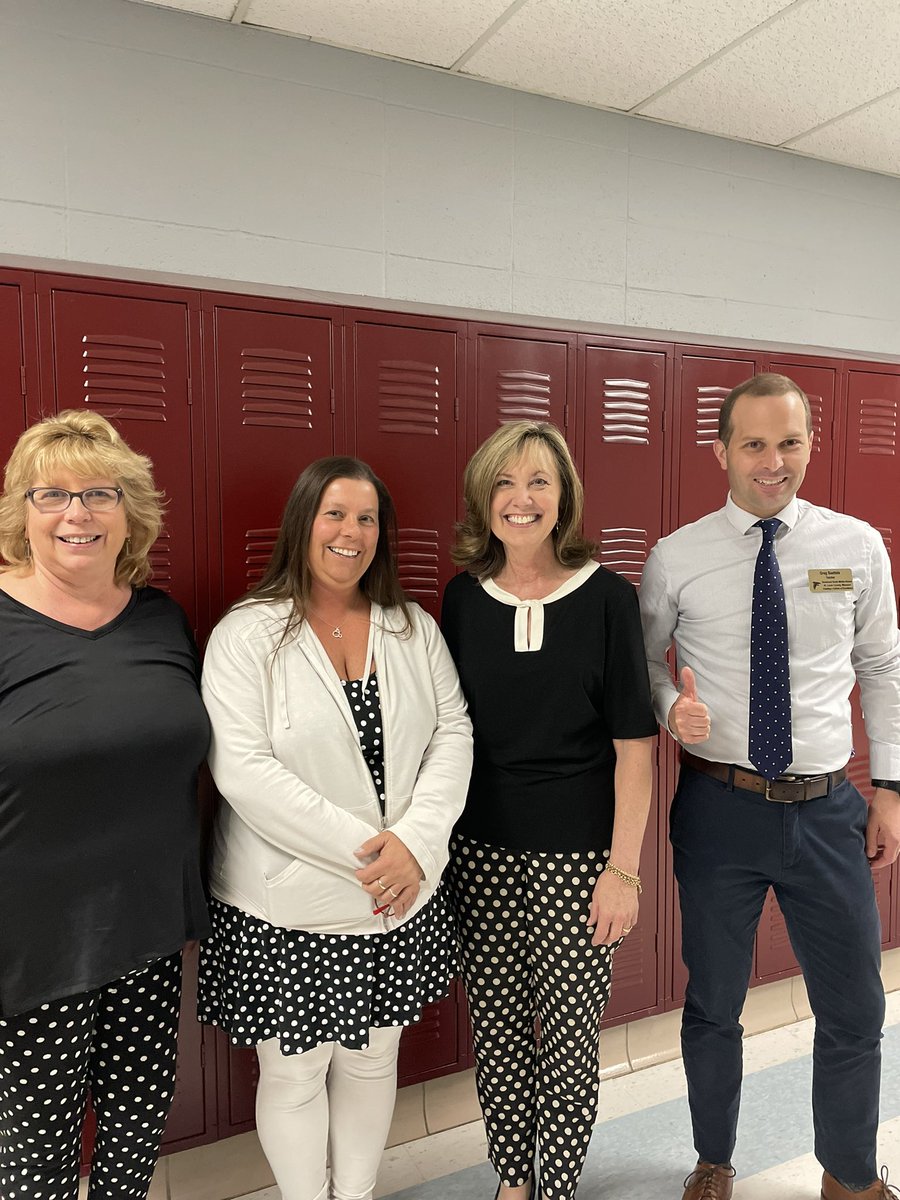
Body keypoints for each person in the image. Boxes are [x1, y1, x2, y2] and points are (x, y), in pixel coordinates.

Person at [639, 373, 900, 1200]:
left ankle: (849, 1174)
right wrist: (666, 704)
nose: (772, 460)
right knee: (714, 1003)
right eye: (753, 443)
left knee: (856, 1008)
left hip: (828, 811)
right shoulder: (676, 556)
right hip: (719, 809)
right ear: (721, 451)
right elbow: (645, 664)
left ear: (811, 445)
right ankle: (713, 1158)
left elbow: (883, 666)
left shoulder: (854, 547)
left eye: (788, 441)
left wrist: (890, 786)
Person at [198, 455, 472, 1200]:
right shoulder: (247, 634)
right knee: (294, 1069)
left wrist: (417, 843)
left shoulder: (410, 626)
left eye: (366, 518)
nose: (350, 532)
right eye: (334, 514)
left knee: (372, 1059)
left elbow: (454, 731)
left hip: (399, 892)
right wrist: (376, 856)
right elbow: (245, 771)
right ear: (303, 523)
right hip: (289, 903)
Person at [441, 420, 657, 1200]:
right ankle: (513, 1181)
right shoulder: (461, 600)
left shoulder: (606, 598)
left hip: (578, 862)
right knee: (498, 1037)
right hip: (481, 856)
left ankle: (556, 1183)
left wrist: (622, 872)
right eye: (504, 483)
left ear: (562, 495)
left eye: (538, 482)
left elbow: (637, 746)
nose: (520, 499)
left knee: (568, 1041)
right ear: (483, 498)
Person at [0, 410, 210, 1199]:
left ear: (131, 515)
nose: (76, 513)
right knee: (38, 1164)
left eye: (99, 493)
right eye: (50, 494)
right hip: (31, 943)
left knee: (133, 1139)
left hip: (146, 928)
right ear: (23, 511)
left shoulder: (160, 618)